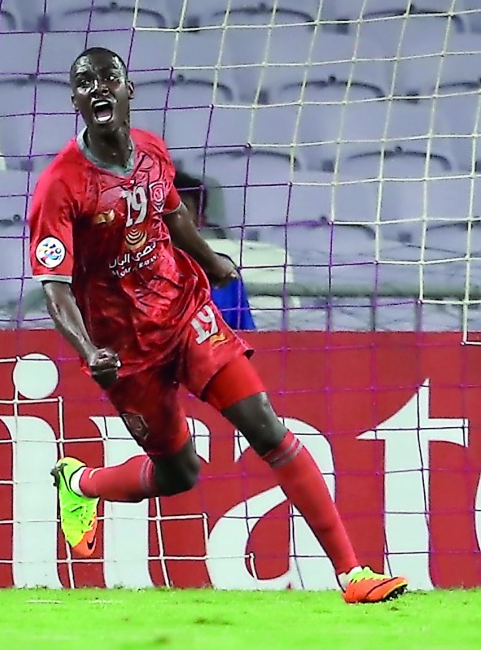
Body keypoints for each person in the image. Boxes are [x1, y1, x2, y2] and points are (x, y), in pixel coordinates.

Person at [28, 46, 407, 604]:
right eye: (86, 82)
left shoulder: (152, 151)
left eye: (110, 76)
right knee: (179, 474)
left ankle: (353, 574)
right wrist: (87, 349)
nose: (99, 86)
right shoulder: (60, 186)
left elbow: (171, 211)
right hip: (126, 350)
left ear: (129, 90)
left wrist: (208, 260)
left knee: (266, 425)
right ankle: (80, 482)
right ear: (77, 101)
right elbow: (55, 288)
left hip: (185, 314)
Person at [174, 171, 255, 330]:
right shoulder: (136, 267)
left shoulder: (224, 273)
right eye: (165, 208)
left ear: (200, 220)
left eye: (183, 209)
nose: (171, 217)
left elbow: (245, 334)